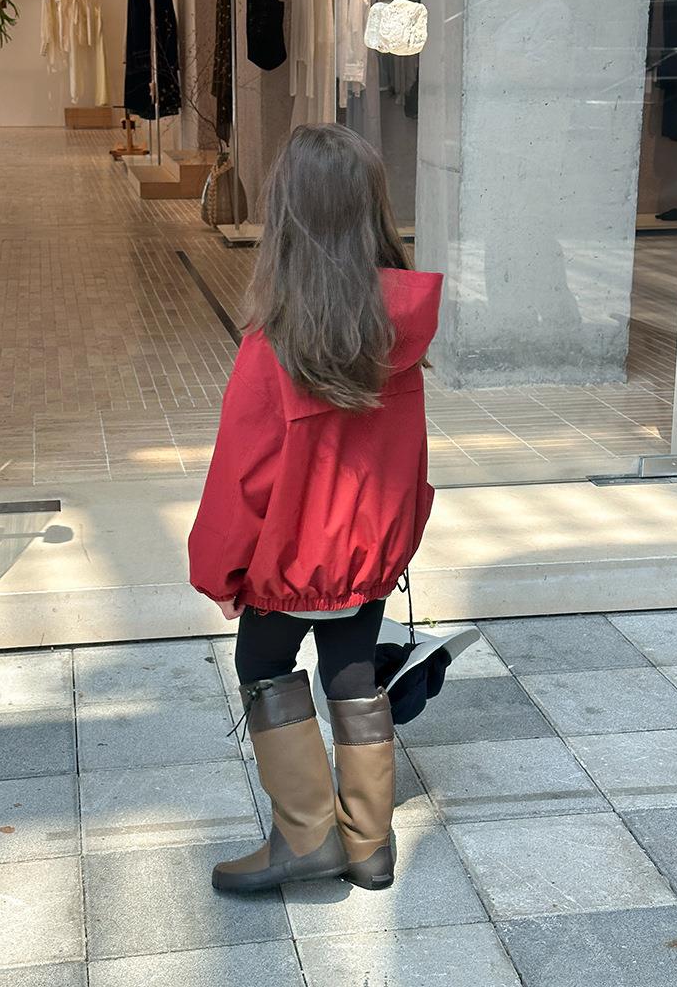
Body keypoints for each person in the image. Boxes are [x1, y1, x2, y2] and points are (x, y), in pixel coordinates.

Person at [188, 123, 442, 894]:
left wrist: (221, 572)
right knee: (352, 668)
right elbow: (408, 459)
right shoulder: (399, 331)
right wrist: (396, 546)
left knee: (262, 663)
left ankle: (306, 838)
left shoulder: (275, 345)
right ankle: (369, 844)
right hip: (368, 558)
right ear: (372, 210)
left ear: (288, 218)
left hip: (292, 562)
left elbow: (242, 478)